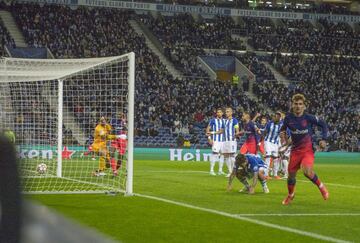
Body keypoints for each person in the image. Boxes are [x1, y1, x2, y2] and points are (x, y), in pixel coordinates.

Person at [280, 94, 329, 205]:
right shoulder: (288, 118)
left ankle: (321, 187)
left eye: (300, 104)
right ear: (292, 105)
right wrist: (284, 137)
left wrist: (324, 139)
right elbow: (282, 129)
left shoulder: (308, 118)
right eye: (296, 104)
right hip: (295, 151)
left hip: (307, 150)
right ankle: (291, 195)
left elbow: (323, 124)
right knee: (291, 177)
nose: (298, 106)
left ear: (304, 106)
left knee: (307, 171)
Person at [263, 112, 282, 179]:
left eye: (275, 117)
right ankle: (265, 174)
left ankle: (275, 174)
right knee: (268, 157)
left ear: (279, 118)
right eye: (273, 116)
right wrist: (264, 141)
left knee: (276, 158)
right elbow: (265, 132)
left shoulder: (281, 125)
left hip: (275, 143)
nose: (273, 118)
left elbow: (282, 133)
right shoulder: (269, 124)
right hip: (268, 141)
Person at [206, 108, 225, 176]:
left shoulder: (224, 121)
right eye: (218, 112)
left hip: (223, 141)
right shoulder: (213, 120)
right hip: (216, 141)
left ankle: (220, 170)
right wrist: (209, 138)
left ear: (222, 113)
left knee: (222, 155)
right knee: (215, 154)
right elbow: (208, 129)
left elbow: (223, 131)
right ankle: (211, 170)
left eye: (220, 112)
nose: (219, 113)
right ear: (216, 113)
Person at [222, 107, 240, 177]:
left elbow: (237, 129)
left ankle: (234, 171)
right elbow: (222, 130)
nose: (226, 113)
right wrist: (213, 133)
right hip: (225, 141)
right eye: (226, 112)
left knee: (232, 155)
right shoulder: (225, 121)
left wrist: (237, 134)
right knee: (226, 156)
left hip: (232, 140)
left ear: (231, 112)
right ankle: (230, 171)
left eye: (228, 111)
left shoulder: (234, 120)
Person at [110, 112, 127, 176]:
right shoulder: (113, 120)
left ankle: (116, 169)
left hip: (122, 139)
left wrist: (124, 123)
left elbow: (126, 130)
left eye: (121, 114)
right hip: (115, 138)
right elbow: (111, 129)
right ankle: (114, 170)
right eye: (119, 114)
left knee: (120, 156)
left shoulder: (124, 122)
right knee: (111, 153)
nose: (120, 115)